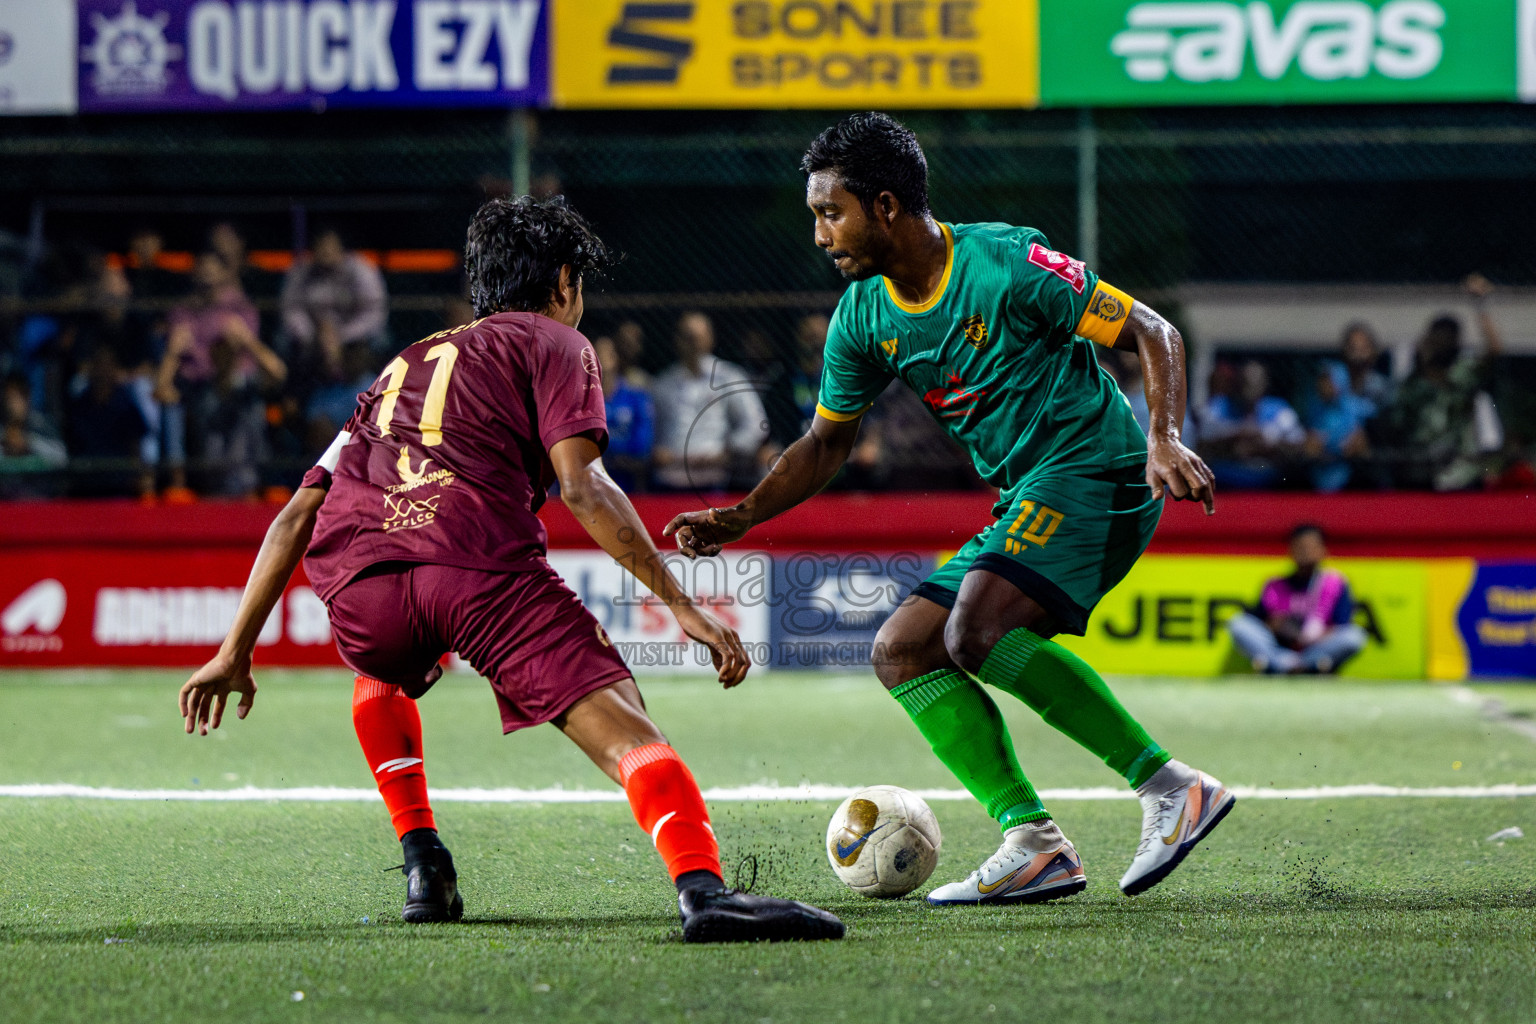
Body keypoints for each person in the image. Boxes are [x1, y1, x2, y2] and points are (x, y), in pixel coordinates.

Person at [177, 195, 842, 944]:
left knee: (384, 668)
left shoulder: (406, 361)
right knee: (625, 724)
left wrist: (233, 652)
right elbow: (585, 487)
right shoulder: (557, 344)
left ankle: (423, 861)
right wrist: (683, 606)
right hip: (474, 566)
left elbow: (297, 513)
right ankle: (703, 888)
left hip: (361, 584)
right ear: (564, 282)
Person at [666, 112, 1232, 905]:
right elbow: (825, 444)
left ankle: (1171, 788)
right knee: (902, 650)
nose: (821, 233)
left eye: (832, 212)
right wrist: (740, 516)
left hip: (1095, 469)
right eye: (815, 216)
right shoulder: (864, 317)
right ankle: (1034, 841)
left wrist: (1163, 438)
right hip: (1024, 497)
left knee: (977, 630)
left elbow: (1151, 328)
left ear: (886, 206)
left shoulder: (1005, 262)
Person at [1383, 275, 1504, 491]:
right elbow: (1397, 423)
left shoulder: (1463, 373)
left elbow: (1494, 351)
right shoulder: (1413, 381)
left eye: (1448, 337)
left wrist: (1481, 305)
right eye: (1437, 336)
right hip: (1417, 473)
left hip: (1459, 472)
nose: (1441, 342)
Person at [651, 311, 772, 491]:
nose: (693, 344)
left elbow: (756, 424)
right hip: (669, 482)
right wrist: (656, 451)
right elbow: (651, 433)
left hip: (714, 481)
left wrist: (729, 451)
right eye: (687, 337)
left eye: (698, 337)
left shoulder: (730, 377)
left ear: (711, 339)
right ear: (677, 340)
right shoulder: (663, 384)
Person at [1226, 525, 1365, 675]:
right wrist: (1276, 625)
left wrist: (1312, 636)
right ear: (1290, 550)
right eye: (1300, 546)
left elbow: (1342, 625)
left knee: (1354, 636)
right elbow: (1259, 622)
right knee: (1238, 624)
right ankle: (1291, 666)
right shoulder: (1274, 585)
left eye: (1310, 546)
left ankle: (1300, 665)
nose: (1305, 551)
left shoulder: (1335, 583)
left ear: (1323, 550)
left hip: (1315, 648)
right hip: (1281, 649)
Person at [279, 227, 389, 393]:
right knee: (282, 341)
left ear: (342, 249)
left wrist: (341, 335)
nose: (326, 251)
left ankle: (369, 393)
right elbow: (291, 311)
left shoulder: (361, 270)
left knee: (381, 340)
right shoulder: (301, 272)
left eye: (330, 246)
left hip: (354, 338)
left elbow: (374, 314)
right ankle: (297, 398)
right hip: (313, 339)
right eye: (321, 246)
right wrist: (313, 335)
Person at [593, 334, 655, 492]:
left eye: (604, 354)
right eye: (594, 353)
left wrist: (601, 454)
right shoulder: (579, 401)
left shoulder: (636, 398)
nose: (598, 359)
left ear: (615, 359)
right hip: (591, 484)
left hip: (629, 484)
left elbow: (641, 446)